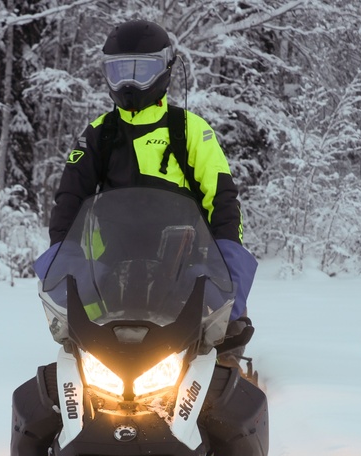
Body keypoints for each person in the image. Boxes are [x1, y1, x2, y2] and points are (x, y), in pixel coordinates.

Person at [35, 19, 257, 361]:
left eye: (142, 71)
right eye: (120, 71)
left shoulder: (191, 131)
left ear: (166, 69)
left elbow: (223, 203)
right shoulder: (98, 135)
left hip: (185, 266)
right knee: (76, 350)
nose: (129, 83)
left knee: (219, 345)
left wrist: (230, 287)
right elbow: (68, 201)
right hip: (108, 270)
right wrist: (65, 269)